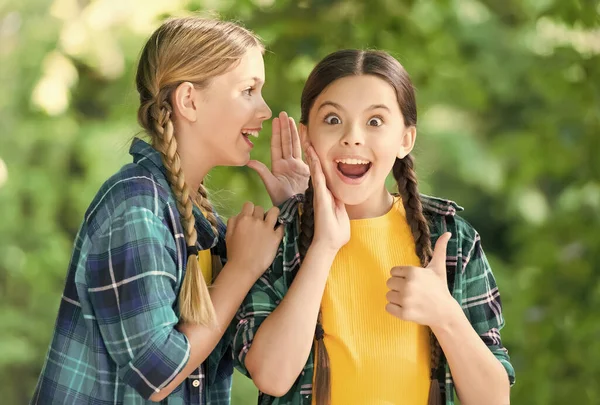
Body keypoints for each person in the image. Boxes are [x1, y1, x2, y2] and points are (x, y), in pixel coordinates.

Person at [31, 16, 307, 404]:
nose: (264, 110)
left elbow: (266, 347)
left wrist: (294, 207)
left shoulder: (204, 225)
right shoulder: (135, 206)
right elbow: (158, 374)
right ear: (189, 100)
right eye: (248, 90)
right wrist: (243, 268)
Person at [233, 49, 515, 405]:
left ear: (405, 139)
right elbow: (272, 376)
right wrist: (323, 247)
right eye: (333, 119)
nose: (353, 137)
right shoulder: (277, 236)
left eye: (375, 121)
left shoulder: (451, 237)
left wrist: (446, 316)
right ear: (307, 137)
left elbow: (494, 400)